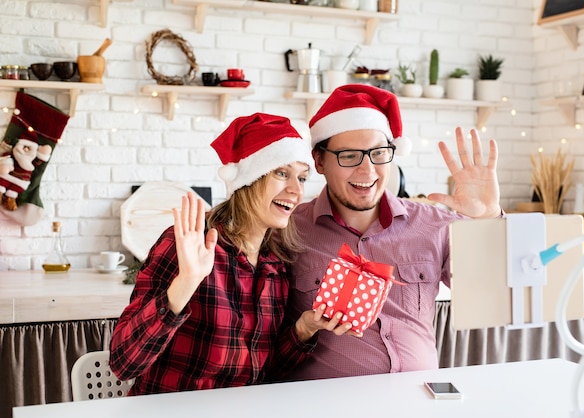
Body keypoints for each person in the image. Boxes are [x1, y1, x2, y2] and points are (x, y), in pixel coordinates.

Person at [109, 113, 351, 396]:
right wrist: (186, 282)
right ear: (249, 179)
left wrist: (304, 329)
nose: (296, 191)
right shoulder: (191, 243)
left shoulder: (274, 264)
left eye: (302, 178)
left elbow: (267, 372)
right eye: (282, 173)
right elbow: (123, 363)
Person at [283, 84, 502, 381]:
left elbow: (493, 296)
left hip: (419, 399)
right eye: (349, 156)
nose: (367, 171)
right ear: (319, 161)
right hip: (328, 403)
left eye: (378, 153)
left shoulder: (434, 224)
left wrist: (489, 220)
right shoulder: (286, 229)